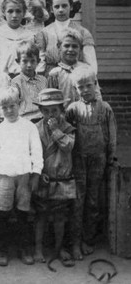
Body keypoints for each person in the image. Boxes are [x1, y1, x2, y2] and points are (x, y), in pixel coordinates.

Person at [65, 67, 117, 260]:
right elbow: (67, 134)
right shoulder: (72, 109)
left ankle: (89, 239)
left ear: (96, 85)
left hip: (99, 159)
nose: (85, 90)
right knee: (78, 200)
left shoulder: (106, 108)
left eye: (89, 85)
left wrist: (111, 158)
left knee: (93, 201)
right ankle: (75, 243)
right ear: (75, 89)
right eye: (81, 87)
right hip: (79, 159)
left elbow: (112, 136)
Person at [0, 87, 43, 266]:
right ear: (0, 108)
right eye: (4, 107)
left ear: (19, 105)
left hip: (24, 176)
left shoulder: (29, 127)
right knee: (4, 213)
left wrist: (36, 173)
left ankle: (24, 248)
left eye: (12, 106)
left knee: (23, 213)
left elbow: (36, 151)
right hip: (4, 175)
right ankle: (2, 249)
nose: (8, 110)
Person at [31, 88, 76, 267]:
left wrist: (56, 131)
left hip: (62, 180)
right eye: (46, 110)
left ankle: (59, 249)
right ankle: (38, 248)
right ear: (41, 110)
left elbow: (68, 147)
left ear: (61, 109)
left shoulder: (68, 127)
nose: (51, 114)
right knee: (40, 216)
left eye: (55, 110)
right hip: (43, 178)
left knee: (60, 218)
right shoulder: (34, 128)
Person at [35, 0, 97, 75]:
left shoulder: (82, 32)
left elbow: (91, 63)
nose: (61, 10)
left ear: (71, 7)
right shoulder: (44, 33)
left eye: (64, 6)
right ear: (51, 9)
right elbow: (40, 63)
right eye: (57, 7)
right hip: (51, 77)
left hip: (75, 76)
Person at [47, 28, 101, 107]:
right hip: (64, 116)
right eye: (67, 46)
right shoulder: (55, 74)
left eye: (74, 46)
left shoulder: (87, 70)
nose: (70, 49)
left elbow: (97, 96)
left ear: (80, 49)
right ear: (59, 47)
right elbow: (50, 101)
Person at [0, 0, 35, 77]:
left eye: (18, 11)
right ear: (3, 12)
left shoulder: (29, 36)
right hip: (1, 78)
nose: (14, 16)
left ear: (24, 13)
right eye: (10, 11)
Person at [11, 41, 47, 122]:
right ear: (18, 61)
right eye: (25, 61)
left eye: (32, 61)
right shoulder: (16, 82)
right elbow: (14, 104)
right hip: (25, 120)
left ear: (38, 61)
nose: (29, 65)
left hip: (42, 118)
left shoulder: (43, 80)